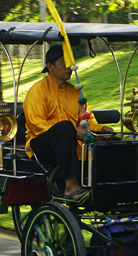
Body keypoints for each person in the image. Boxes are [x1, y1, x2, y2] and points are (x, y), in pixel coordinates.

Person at [24, 44, 113, 202]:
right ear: (50, 66)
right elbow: (37, 125)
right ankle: (70, 185)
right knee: (65, 127)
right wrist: (72, 131)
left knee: (115, 143)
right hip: (41, 147)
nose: (69, 68)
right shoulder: (37, 91)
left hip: (72, 145)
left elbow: (87, 120)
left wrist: (101, 130)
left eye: (70, 64)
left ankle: (114, 187)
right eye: (63, 64)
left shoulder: (75, 92)